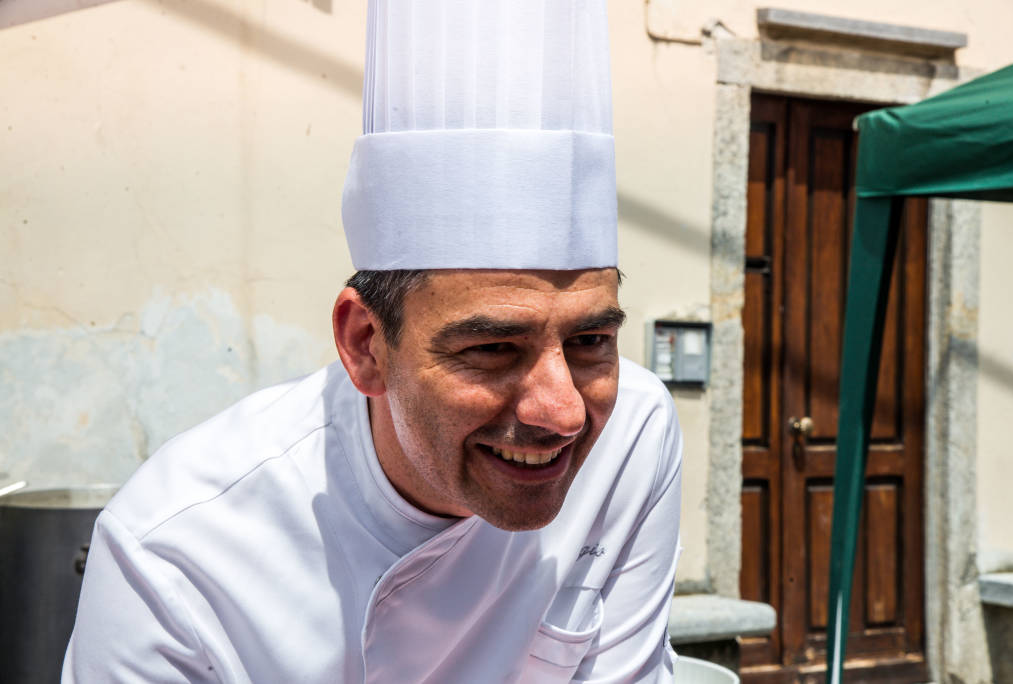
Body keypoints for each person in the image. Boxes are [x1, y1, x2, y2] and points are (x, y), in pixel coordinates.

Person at [63, 1, 683, 682]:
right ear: (364, 345)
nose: (563, 411)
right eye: (493, 350)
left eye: (591, 339)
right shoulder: (172, 555)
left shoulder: (635, 435)